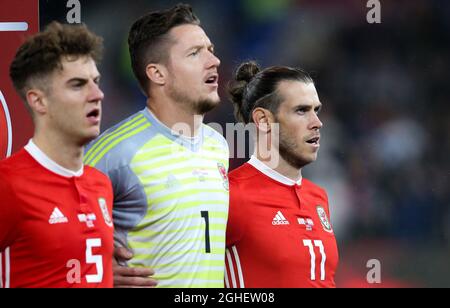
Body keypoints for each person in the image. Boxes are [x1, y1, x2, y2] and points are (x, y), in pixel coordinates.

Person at [84, 3, 229, 288]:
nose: (214, 61)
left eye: (210, 49)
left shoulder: (219, 145)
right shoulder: (119, 151)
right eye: (194, 53)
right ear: (157, 74)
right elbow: (53, 225)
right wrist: (96, 272)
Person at [0, 22, 114, 288]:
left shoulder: (100, 184)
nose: (97, 95)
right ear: (38, 100)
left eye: (95, 82)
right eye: (77, 85)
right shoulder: (8, 186)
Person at [225, 62, 339, 288]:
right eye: (301, 110)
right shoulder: (230, 195)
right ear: (264, 120)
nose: (317, 123)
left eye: (316, 110)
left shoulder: (318, 197)